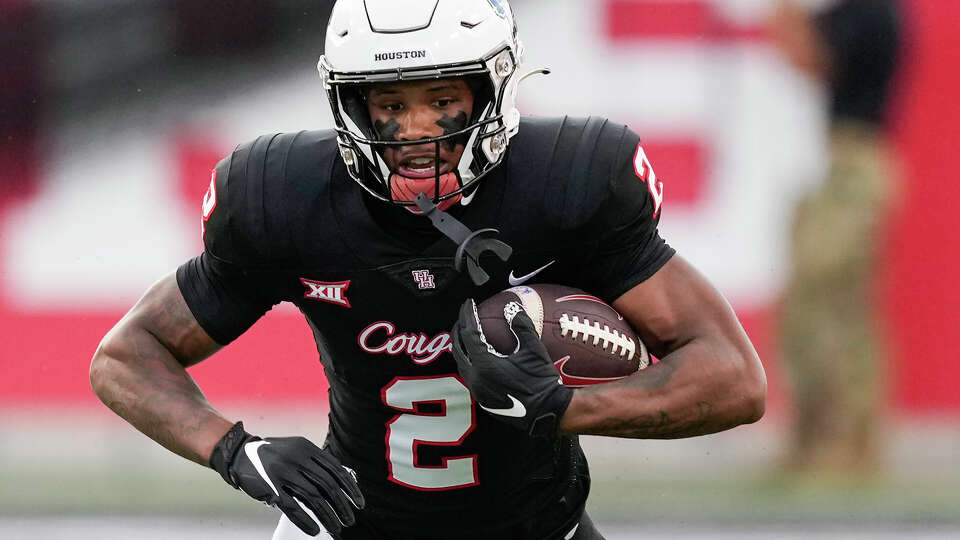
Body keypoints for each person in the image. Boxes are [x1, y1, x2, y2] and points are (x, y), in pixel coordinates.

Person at [89, 1, 766, 538]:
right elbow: (124, 357)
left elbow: (734, 379)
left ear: (491, 89)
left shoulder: (567, 184)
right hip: (351, 524)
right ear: (350, 107)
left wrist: (569, 407)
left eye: (442, 101)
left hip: (536, 525)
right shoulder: (285, 196)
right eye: (390, 105)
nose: (416, 132)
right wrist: (237, 451)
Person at [768, 0, 900, 475]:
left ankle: (847, 446)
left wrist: (783, 14)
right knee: (814, 307)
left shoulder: (872, 13)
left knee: (833, 307)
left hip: (854, 164)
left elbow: (809, 56)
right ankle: (815, 442)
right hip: (835, 162)